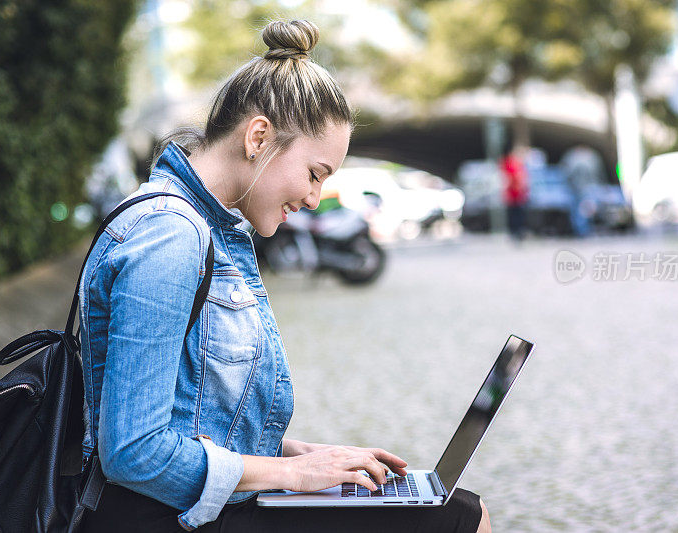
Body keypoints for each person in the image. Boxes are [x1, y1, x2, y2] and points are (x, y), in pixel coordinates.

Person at [78, 19, 490, 532]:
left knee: (449, 509)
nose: (315, 198)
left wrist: (313, 459)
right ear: (258, 137)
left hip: (193, 508)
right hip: (163, 519)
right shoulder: (171, 237)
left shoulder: (209, 227)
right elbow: (134, 452)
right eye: (315, 173)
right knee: (458, 519)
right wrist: (292, 473)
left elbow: (197, 416)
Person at [500, 146, 529, 241]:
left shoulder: (517, 163)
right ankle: (515, 232)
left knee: (518, 213)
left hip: (519, 194)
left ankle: (519, 231)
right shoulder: (509, 163)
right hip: (513, 193)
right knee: (514, 213)